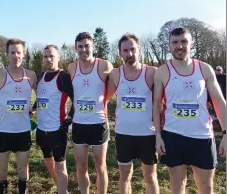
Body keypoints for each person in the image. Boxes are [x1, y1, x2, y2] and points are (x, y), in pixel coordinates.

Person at [153, 27, 226, 194]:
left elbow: (220, 102)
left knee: (206, 187)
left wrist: (225, 134)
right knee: (177, 187)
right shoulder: (162, 72)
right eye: (175, 42)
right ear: (169, 46)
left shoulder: (205, 69)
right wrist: (158, 135)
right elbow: (156, 106)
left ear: (191, 44)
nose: (180, 46)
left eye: (184, 41)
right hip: (173, 135)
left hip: (202, 136)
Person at [109, 33, 159, 194]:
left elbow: (162, 102)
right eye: (125, 50)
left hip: (147, 134)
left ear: (140, 50)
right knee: (124, 176)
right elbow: (102, 97)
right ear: (120, 53)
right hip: (124, 133)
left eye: (133, 49)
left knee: (150, 177)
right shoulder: (115, 74)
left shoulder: (152, 72)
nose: (129, 54)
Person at [0, 38, 37, 194]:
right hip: (3, 132)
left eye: (18, 52)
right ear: (7, 54)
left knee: (23, 169)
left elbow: (44, 96)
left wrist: (34, 109)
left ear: (24, 54)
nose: (15, 56)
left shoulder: (31, 76)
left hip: (23, 132)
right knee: (2, 170)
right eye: (12, 52)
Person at [67, 32, 114, 194]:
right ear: (75, 48)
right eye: (80, 46)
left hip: (98, 123)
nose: (84, 50)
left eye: (87, 46)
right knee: (81, 166)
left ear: (93, 46)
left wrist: (103, 101)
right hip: (79, 124)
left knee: (100, 167)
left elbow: (114, 85)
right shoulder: (72, 68)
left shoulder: (104, 66)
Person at [33, 44, 74, 194]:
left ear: (58, 58)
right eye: (45, 56)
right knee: (48, 163)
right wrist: (33, 108)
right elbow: (41, 98)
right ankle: (61, 189)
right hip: (42, 129)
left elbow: (76, 98)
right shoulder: (40, 77)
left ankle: (62, 191)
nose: (49, 59)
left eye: (52, 56)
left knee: (60, 166)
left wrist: (70, 116)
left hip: (57, 129)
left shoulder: (63, 77)